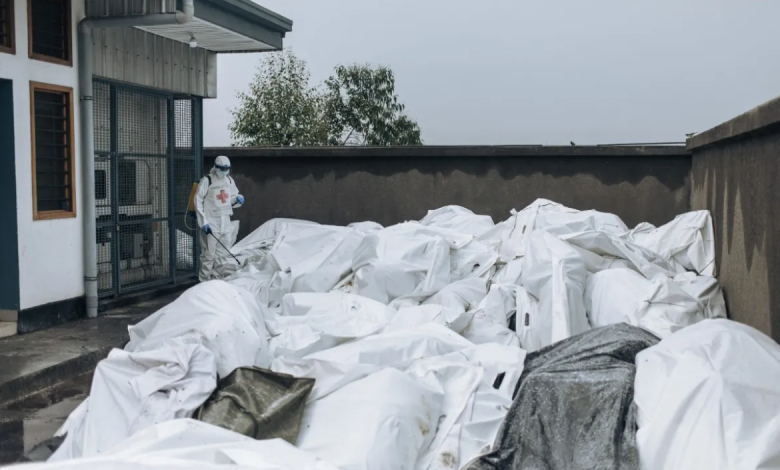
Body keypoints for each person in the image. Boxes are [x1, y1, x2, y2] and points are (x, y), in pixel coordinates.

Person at [195, 155, 244, 281]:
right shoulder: (207, 180)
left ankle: (216, 283)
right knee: (208, 256)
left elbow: (231, 197)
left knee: (222, 256)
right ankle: (203, 283)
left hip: (225, 223)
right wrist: (203, 222)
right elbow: (198, 200)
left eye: (227, 168)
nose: (224, 171)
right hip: (211, 223)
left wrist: (237, 199)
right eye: (222, 168)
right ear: (216, 167)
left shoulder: (229, 181)